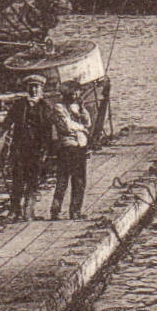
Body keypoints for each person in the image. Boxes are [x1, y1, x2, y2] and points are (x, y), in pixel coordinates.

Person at [0, 74, 57, 219]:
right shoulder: (19, 105)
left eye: (36, 87)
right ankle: (14, 210)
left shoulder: (46, 107)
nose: (33, 90)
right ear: (27, 88)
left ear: (41, 89)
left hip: (37, 150)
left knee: (33, 179)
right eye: (31, 87)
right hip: (20, 149)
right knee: (17, 180)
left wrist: (48, 151)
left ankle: (28, 210)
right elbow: (7, 122)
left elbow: (50, 131)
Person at [50, 85, 92, 220]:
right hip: (67, 146)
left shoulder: (78, 107)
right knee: (62, 180)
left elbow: (88, 122)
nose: (76, 96)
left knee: (79, 180)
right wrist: (83, 128)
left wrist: (82, 109)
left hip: (80, 146)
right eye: (73, 94)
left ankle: (75, 211)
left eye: (77, 94)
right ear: (66, 94)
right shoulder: (59, 107)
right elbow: (67, 126)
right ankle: (55, 210)